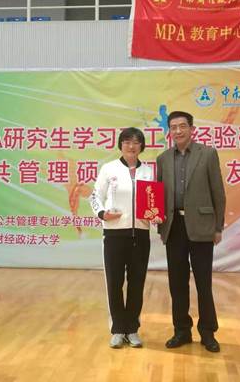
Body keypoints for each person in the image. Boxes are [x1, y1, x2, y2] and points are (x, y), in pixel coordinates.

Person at [156, 111, 226, 353]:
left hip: (202, 226)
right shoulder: (163, 158)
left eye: (182, 126)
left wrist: (218, 227)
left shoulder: (207, 154)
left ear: (192, 129)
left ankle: (208, 332)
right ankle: (181, 331)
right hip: (173, 226)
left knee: (203, 282)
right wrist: (160, 224)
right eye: (173, 127)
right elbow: (158, 194)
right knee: (177, 283)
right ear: (169, 131)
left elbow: (218, 192)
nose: (178, 131)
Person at [89, 127, 157, 349]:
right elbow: (94, 196)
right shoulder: (109, 169)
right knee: (114, 283)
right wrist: (102, 214)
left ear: (141, 146)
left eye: (136, 142)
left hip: (141, 235)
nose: (131, 146)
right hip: (114, 234)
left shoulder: (148, 172)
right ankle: (118, 329)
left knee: (137, 283)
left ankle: (132, 329)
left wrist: (156, 215)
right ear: (120, 145)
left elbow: (154, 202)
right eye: (127, 141)